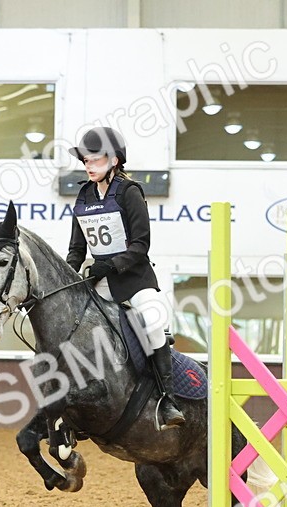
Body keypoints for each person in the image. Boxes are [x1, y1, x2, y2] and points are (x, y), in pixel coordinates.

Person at [66, 126, 184, 430]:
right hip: (99, 282)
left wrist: (111, 265)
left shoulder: (130, 192)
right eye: (85, 162)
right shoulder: (83, 195)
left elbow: (141, 245)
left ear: (114, 160)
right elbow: (77, 249)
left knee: (154, 321)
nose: (88, 166)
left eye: (94, 160)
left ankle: (167, 400)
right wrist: (69, 277)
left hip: (134, 279)